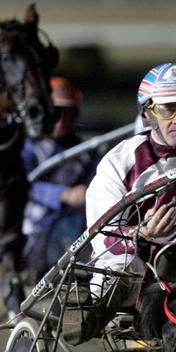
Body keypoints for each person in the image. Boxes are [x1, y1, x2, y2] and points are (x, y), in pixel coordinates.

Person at [64, 62, 176, 345]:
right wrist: (142, 234)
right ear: (148, 112)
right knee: (118, 266)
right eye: (168, 109)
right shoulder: (120, 161)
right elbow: (100, 235)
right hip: (130, 271)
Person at [21, 77, 98, 281]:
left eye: (68, 112)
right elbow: (22, 185)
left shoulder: (86, 152)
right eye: (56, 112)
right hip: (32, 228)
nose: (61, 119)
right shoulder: (27, 148)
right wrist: (63, 194)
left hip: (74, 226)